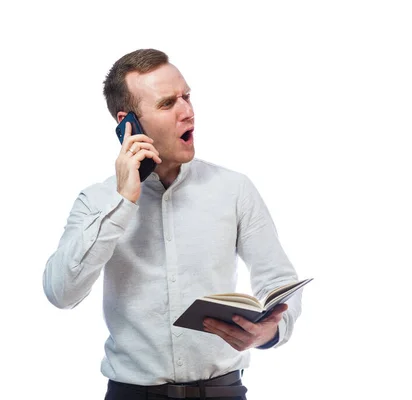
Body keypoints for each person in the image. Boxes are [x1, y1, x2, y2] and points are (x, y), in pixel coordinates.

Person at [43, 49, 303, 400]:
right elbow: (61, 292)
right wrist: (123, 202)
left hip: (224, 391)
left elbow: (280, 282)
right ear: (128, 123)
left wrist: (266, 334)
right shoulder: (96, 202)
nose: (188, 111)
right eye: (168, 104)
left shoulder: (234, 189)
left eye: (187, 96)